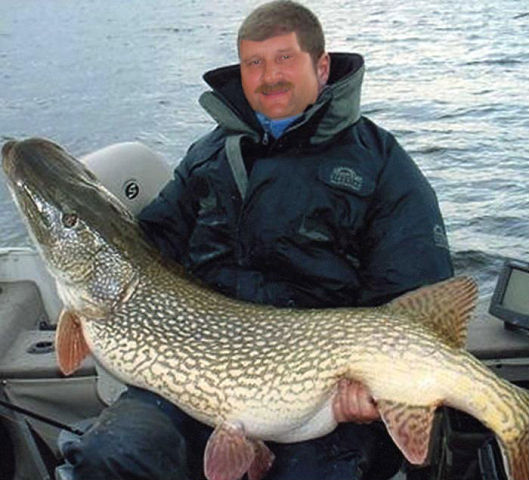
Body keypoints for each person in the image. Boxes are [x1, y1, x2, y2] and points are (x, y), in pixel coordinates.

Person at [58, 1, 453, 479]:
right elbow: (150, 248)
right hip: (198, 372)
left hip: (322, 396)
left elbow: (413, 294)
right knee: (110, 452)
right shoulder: (207, 156)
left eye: (285, 58)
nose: (269, 77)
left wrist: (373, 387)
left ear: (321, 66)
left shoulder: (382, 163)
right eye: (254, 63)